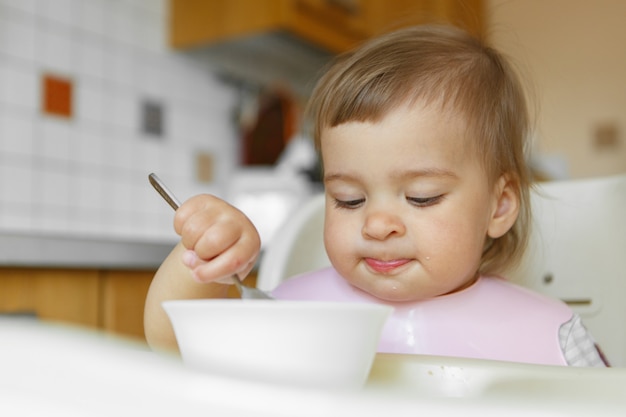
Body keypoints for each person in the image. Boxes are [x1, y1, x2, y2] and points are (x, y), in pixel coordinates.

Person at [144, 25, 607, 367]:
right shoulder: (293, 314)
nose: (376, 224)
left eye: (422, 197)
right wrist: (203, 255)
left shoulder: (553, 338)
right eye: (348, 199)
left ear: (500, 205)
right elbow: (175, 347)